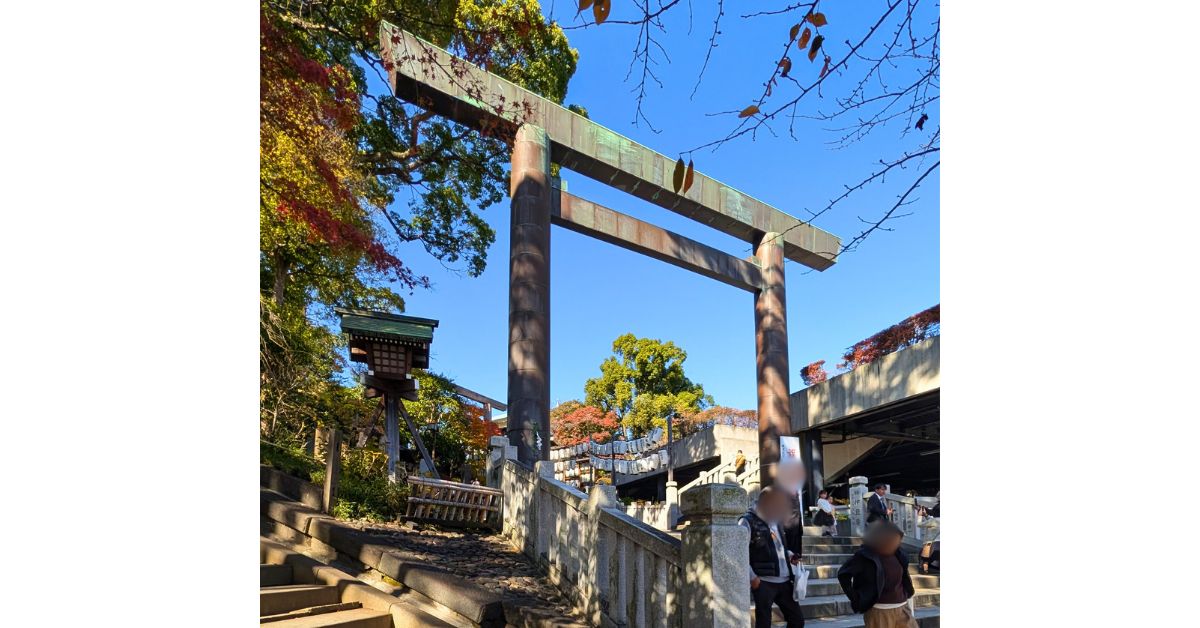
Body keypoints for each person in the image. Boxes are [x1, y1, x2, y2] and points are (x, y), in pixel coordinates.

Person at [740, 486, 806, 628]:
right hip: (764, 582)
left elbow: (778, 547)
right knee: (764, 623)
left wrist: (790, 555)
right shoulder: (747, 521)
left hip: (784, 581)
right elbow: (740, 553)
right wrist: (753, 578)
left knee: (797, 620)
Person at [837, 521, 917, 628]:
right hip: (879, 611)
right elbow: (843, 574)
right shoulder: (864, 556)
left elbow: (904, 576)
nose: (896, 543)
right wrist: (856, 598)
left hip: (902, 608)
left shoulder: (899, 554)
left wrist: (907, 593)